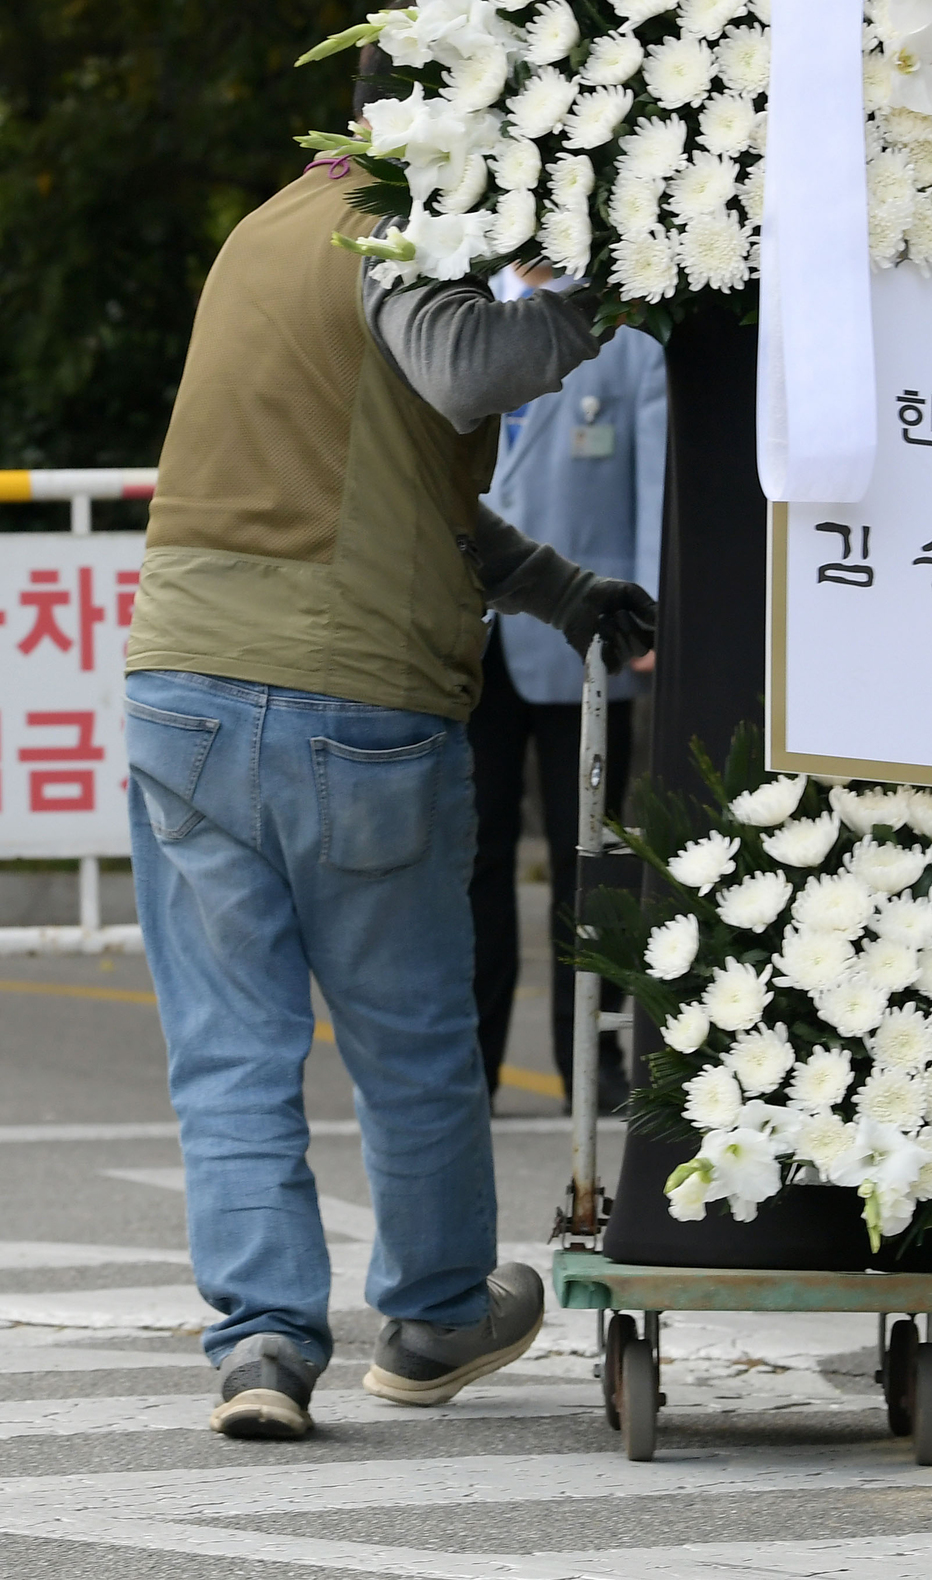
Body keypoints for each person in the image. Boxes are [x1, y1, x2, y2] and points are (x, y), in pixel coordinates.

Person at [122, 150, 655, 1441]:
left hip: (182, 693)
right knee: (410, 1034)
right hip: (352, 703)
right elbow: (465, 370)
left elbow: (402, 489)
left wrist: (560, 592)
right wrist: (619, 280)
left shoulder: (264, 231)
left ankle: (261, 1342)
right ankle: (432, 1315)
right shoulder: (396, 230)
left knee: (230, 1045)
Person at [468, 258, 665, 1112]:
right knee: (473, 856)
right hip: (469, 632)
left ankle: (592, 1059)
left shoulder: (625, 337)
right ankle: (471, 1063)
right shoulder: (460, 316)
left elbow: (657, 482)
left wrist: (656, 609)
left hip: (587, 635)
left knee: (591, 859)